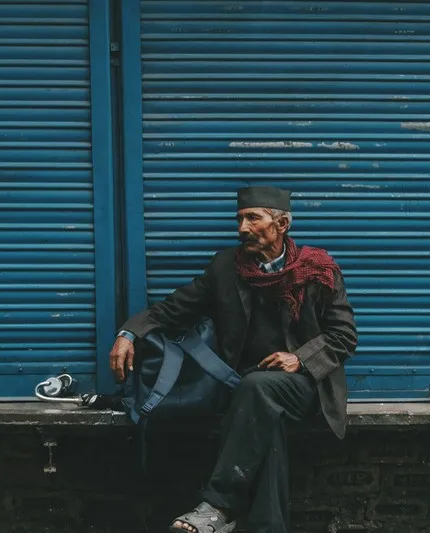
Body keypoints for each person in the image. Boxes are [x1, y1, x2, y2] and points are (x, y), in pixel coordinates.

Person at [109, 186, 358, 533]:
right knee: (262, 415)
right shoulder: (226, 267)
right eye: (240, 219)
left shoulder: (318, 269)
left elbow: (344, 336)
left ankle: (220, 504)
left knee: (258, 389)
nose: (242, 228)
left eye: (253, 218)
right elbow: (173, 308)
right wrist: (129, 333)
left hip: (305, 385)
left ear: (282, 223)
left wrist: (298, 359)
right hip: (246, 392)